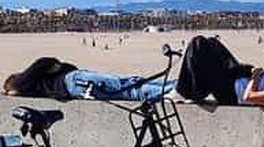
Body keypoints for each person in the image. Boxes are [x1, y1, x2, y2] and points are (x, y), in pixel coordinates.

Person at [3, 57, 176, 102]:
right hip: (77, 80)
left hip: (77, 85)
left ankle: (175, 88)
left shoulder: (29, 83)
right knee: (128, 84)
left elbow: (48, 63)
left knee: (128, 88)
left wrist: (10, 91)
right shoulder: (36, 76)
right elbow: (54, 63)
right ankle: (175, 86)